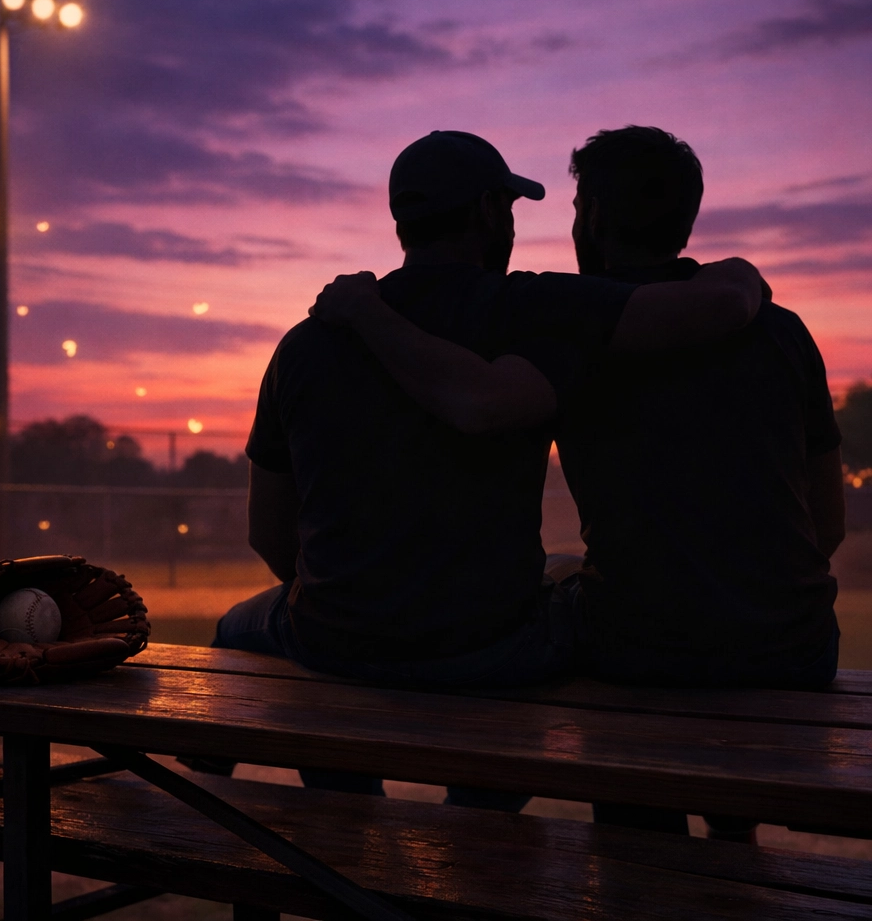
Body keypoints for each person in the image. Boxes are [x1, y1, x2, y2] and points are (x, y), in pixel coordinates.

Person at [203, 129, 765, 805]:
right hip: (490, 646)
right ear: (489, 211)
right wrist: (741, 274)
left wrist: (360, 602)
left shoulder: (308, 340)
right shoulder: (532, 307)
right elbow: (721, 306)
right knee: (567, 591)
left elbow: (269, 534)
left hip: (333, 637)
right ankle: (479, 824)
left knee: (231, 631)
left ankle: (305, 805)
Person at [311, 126, 844, 834]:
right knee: (561, 588)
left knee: (566, 615)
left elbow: (480, 403)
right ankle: (731, 842)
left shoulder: (565, 320)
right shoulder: (785, 332)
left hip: (641, 648)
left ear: (589, 215)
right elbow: (827, 524)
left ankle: (602, 850)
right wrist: (744, 276)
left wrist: (364, 309)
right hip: (798, 646)